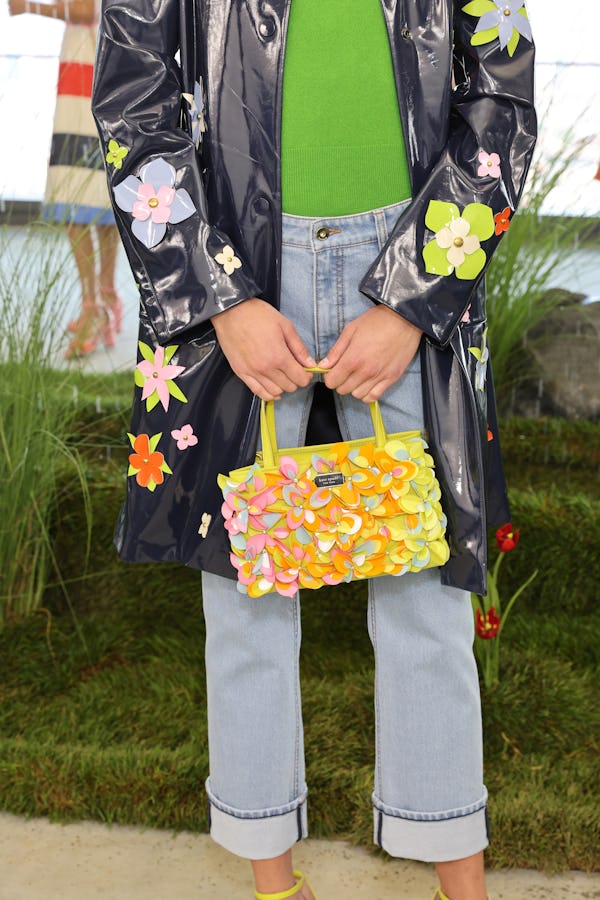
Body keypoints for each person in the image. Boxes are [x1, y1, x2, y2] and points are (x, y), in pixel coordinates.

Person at [92, 2, 537, 898]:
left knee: (429, 591)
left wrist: (414, 296)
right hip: (243, 271)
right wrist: (221, 297)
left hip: (410, 253)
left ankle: (465, 885)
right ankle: (273, 885)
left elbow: (502, 95)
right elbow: (135, 102)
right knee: (248, 589)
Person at [9, 0, 123, 358]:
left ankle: (95, 304)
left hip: (91, 73)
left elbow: (87, 10)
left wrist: (28, 7)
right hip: (92, 69)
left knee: (79, 191)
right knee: (92, 192)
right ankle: (103, 299)